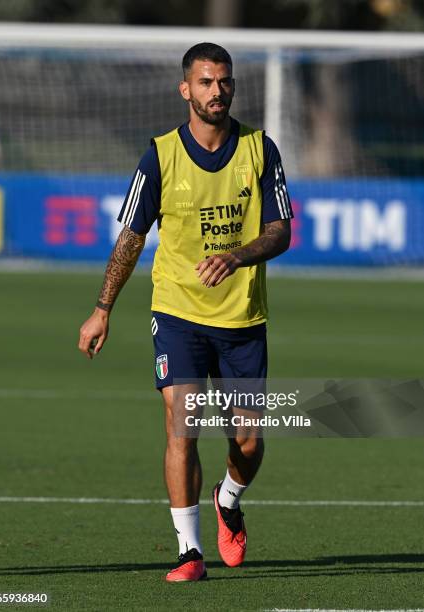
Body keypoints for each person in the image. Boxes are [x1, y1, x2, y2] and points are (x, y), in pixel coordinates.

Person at [78, 42, 293, 582]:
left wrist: (237, 256)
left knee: (247, 441)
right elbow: (130, 237)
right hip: (177, 312)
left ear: (232, 87)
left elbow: (281, 230)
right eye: (204, 82)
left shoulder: (259, 149)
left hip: (243, 318)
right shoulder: (160, 155)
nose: (215, 91)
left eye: (223, 82)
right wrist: (102, 308)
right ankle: (190, 552)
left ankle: (229, 498)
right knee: (183, 424)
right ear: (185, 89)